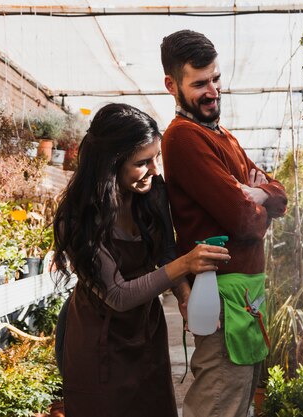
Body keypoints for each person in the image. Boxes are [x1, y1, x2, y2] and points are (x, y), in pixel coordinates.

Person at [52, 103, 231, 417]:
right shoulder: (78, 218)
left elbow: (165, 252)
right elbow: (118, 295)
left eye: (157, 157)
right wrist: (187, 264)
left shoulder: (152, 194)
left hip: (146, 334)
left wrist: (186, 298)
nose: (156, 170)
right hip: (98, 344)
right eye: (143, 162)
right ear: (111, 163)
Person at [160, 30, 288, 417]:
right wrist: (253, 202)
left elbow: (279, 193)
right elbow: (244, 222)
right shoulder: (184, 137)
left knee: (237, 402)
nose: (213, 90)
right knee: (218, 404)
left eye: (215, 79)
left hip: (244, 296)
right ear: (172, 85)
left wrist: (262, 195)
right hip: (221, 298)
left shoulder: (224, 136)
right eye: (199, 83)